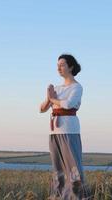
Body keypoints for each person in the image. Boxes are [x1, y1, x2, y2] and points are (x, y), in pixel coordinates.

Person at [40, 54, 90, 199]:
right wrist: (48, 98)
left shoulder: (77, 87)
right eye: (57, 65)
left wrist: (53, 99)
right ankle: (59, 195)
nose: (58, 68)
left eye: (62, 65)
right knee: (58, 167)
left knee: (72, 165)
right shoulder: (57, 88)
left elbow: (68, 104)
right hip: (54, 131)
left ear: (71, 67)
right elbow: (42, 109)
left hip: (69, 130)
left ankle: (78, 196)